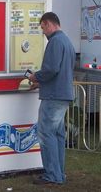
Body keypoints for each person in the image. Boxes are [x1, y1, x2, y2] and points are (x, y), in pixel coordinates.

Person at [28, 12, 76, 185]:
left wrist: (36, 77)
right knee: (57, 135)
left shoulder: (55, 41)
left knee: (46, 134)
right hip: (63, 94)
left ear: (48, 24)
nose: (43, 32)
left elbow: (51, 69)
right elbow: (61, 73)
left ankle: (51, 175)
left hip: (53, 98)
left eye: (42, 28)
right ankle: (59, 173)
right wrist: (42, 84)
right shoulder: (67, 42)